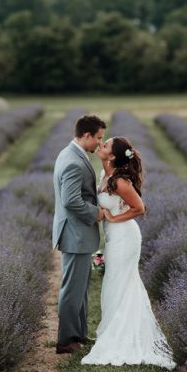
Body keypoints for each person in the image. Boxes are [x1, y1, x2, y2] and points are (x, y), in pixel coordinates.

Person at [80, 137, 175, 369]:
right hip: (114, 237)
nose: (101, 145)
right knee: (116, 283)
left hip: (125, 237)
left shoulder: (120, 182)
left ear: (111, 156)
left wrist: (113, 217)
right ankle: (115, 329)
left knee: (120, 282)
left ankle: (122, 336)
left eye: (106, 145)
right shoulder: (105, 176)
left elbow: (140, 208)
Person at [52, 114, 106, 355]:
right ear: (86, 135)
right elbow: (71, 200)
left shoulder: (71, 154)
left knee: (81, 287)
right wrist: (97, 214)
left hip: (77, 233)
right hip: (75, 234)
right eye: (98, 138)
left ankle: (78, 334)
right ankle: (66, 341)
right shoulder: (73, 161)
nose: (100, 144)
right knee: (73, 288)